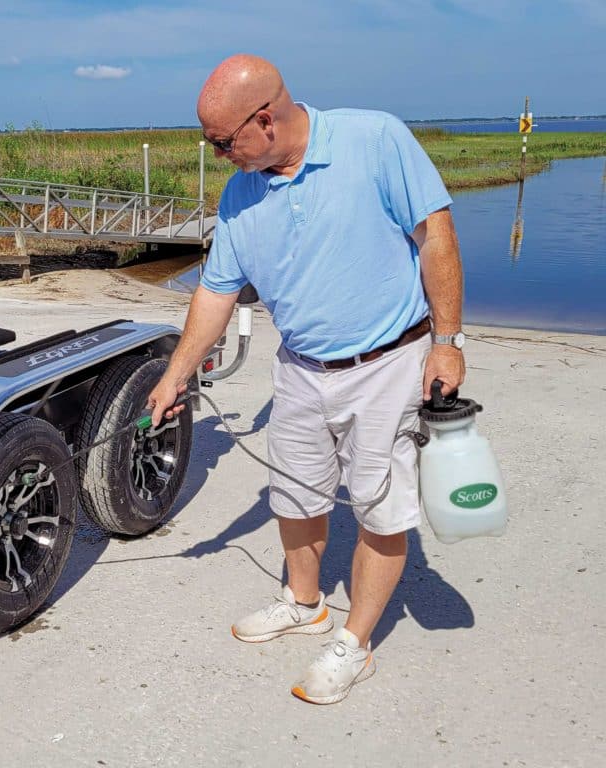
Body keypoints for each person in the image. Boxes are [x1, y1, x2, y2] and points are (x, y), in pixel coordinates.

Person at [147, 53, 465, 705]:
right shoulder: (241, 194)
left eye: (222, 142)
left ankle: (354, 643)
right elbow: (215, 292)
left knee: (380, 509)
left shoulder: (373, 139)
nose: (217, 155)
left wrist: (448, 342)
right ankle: (304, 601)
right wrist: (177, 372)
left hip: (387, 365)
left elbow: (435, 235)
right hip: (300, 369)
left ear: (264, 120)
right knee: (294, 494)